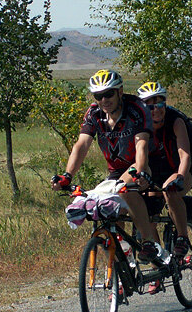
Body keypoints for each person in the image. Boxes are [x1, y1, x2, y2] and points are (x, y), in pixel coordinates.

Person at [51, 69, 160, 263]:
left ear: (120, 91)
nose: (104, 100)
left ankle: (148, 241)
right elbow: (82, 144)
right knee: (108, 214)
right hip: (115, 171)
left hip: (141, 164)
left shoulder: (136, 108)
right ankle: (120, 269)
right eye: (98, 96)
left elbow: (141, 144)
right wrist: (67, 175)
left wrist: (139, 172)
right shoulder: (94, 113)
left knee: (123, 190)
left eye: (108, 94)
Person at [136, 81, 192, 261]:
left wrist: (180, 178)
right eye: (150, 106)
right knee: (146, 211)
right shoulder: (139, 125)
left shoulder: (175, 121)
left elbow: (185, 156)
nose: (156, 110)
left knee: (171, 190)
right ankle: (158, 262)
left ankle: (183, 237)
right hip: (154, 175)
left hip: (179, 171)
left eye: (160, 104)